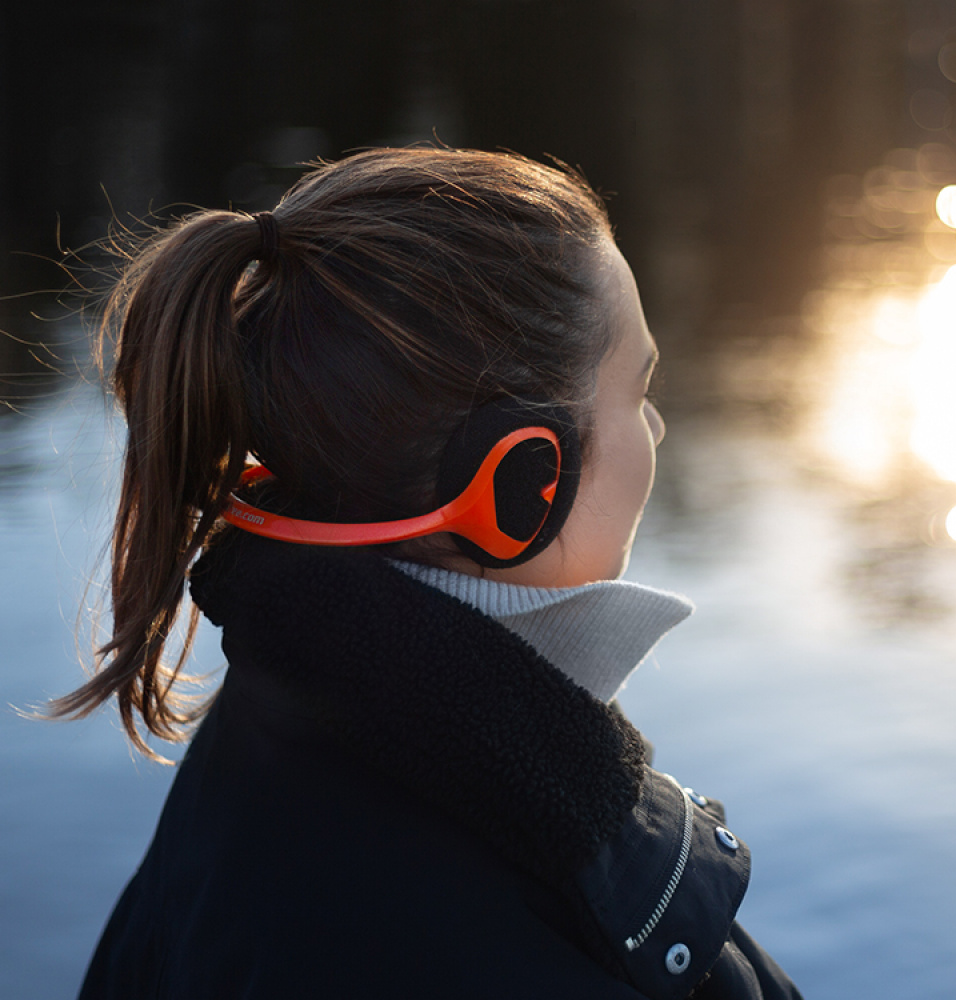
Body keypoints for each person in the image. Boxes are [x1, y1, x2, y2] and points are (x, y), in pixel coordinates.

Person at [57, 147, 803, 999]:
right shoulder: (474, 935)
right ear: (523, 482)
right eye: (638, 390)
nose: (659, 428)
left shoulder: (279, 731)